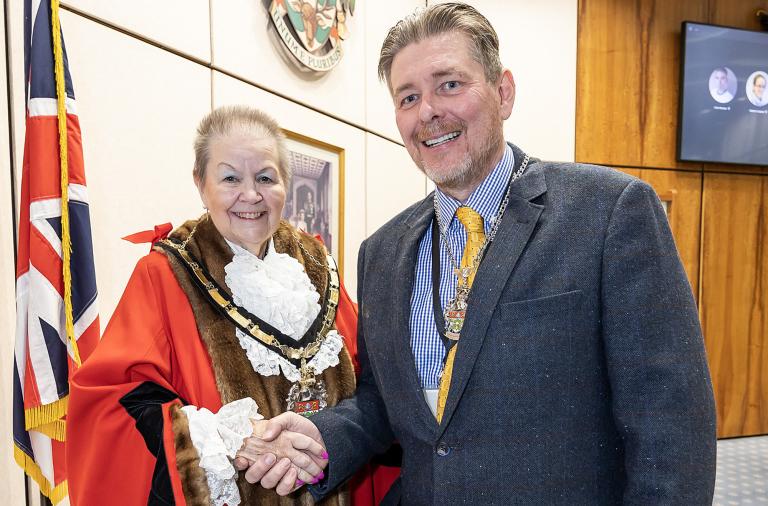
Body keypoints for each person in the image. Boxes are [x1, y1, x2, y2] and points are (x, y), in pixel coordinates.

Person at [245, 3, 717, 503]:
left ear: (503, 91)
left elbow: (672, 426)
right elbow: (386, 404)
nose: (427, 111)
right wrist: (323, 436)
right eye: (408, 97)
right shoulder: (379, 253)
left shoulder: (608, 213)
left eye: (449, 84)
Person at [66, 105, 386, 505]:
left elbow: (374, 385)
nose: (250, 195)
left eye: (265, 178)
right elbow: (112, 406)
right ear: (201, 184)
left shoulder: (319, 269)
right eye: (230, 177)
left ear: (285, 183)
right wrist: (225, 440)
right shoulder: (165, 274)